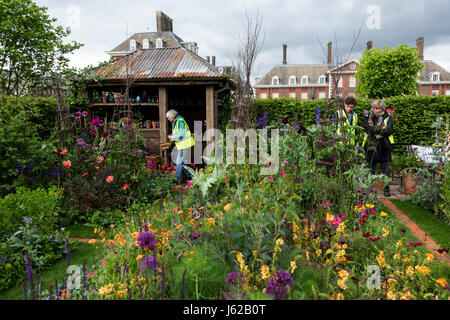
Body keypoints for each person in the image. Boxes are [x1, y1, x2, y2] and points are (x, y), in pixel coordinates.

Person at [362, 100, 395, 197]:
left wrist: (375, 130)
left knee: (385, 168)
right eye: (376, 108)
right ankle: (370, 188)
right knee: (371, 167)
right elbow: (367, 128)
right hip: (371, 144)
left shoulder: (387, 117)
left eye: (380, 108)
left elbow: (389, 130)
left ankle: (386, 188)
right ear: (373, 108)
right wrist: (380, 130)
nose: (378, 110)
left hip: (384, 145)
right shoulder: (368, 117)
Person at [166, 109, 195, 184]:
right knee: (182, 162)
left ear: (172, 116)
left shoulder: (180, 121)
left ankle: (176, 180)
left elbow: (182, 134)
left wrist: (173, 138)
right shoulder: (174, 123)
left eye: (168, 117)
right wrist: (172, 136)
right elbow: (177, 134)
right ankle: (190, 176)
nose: (168, 119)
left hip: (185, 144)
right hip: (181, 145)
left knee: (179, 162)